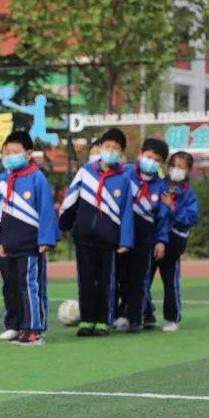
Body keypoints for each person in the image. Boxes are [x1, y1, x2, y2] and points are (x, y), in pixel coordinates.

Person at [0, 131, 58, 346]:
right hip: (5, 247)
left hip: (30, 246)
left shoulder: (37, 177)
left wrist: (45, 239)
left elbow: (46, 211)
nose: (10, 156)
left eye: (15, 152)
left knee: (29, 287)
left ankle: (33, 328)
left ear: (28, 154)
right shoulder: (1, 180)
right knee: (10, 287)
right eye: (7, 152)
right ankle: (14, 325)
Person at [58, 127, 134, 336]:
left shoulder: (124, 179)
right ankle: (87, 320)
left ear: (121, 153)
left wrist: (125, 241)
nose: (110, 151)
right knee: (85, 281)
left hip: (108, 240)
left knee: (106, 282)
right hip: (83, 237)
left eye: (115, 148)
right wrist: (62, 225)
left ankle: (103, 321)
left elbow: (127, 211)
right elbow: (70, 199)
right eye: (106, 146)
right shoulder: (85, 172)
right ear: (100, 148)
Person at [113, 137, 169, 332]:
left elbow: (162, 216)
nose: (151, 161)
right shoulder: (125, 173)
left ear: (161, 163)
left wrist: (161, 240)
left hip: (145, 237)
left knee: (137, 279)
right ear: (140, 154)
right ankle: (114, 315)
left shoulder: (161, 185)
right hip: (120, 233)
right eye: (149, 156)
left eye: (157, 160)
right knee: (117, 275)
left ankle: (134, 318)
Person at [145, 151, 199, 331]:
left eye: (182, 167)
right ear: (168, 167)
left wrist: (173, 207)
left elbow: (191, 218)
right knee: (143, 280)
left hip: (173, 245)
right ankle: (146, 315)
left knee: (170, 282)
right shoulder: (159, 187)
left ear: (188, 170)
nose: (177, 170)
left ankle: (172, 318)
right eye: (174, 166)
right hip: (153, 241)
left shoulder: (189, 195)